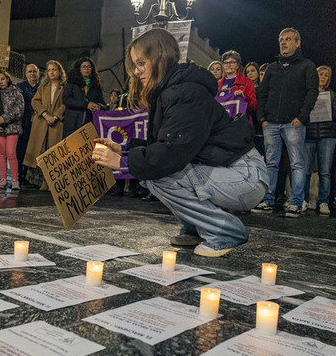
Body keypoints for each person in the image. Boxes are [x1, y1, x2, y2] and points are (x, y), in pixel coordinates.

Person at [93, 28, 267, 257]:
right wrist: (124, 151)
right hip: (231, 171)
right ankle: (196, 227)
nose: (136, 72)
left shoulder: (186, 92)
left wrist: (123, 163)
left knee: (158, 175)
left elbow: (172, 152)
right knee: (154, 171)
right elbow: (166, 143)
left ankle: (226, 231)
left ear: (159, 57)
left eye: (141, 63)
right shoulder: (172, 90)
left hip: (245, 177)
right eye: (135, 66)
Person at [251, 28, 318, 218]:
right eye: (281, 39)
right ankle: (268, 200)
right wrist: (262, 119)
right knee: (271, 163)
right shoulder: (272, 67)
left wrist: (301, 117)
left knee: (297, 163)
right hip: (271, 123)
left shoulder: (307, 66)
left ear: (298, 43)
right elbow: (262, 93)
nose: (283, 43)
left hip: (294, 123)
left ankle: (296, 202)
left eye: (288, 39)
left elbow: (311, 93)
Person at [304, 65, 336, 215]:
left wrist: (330, 111)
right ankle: (304, 199)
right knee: (305, 170)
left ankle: (323, 201)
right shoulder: (306, 94)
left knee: (325, 171)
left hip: (327, 137)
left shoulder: (332, 95)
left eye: (326, 75)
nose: (323, 77)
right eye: (320, 74)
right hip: (309, 135)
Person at [24, 59, 66, 181]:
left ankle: (51, 181)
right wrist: (45, 114)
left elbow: (65, 103)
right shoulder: (43, 87)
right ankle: (37, 181)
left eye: (54, 69)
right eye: (49, 70)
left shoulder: (64, 87)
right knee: (39, 150)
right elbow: (35, 101)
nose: (51, 72)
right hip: (42, 121)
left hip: (56, 122)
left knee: (53, 151)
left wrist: (56, 116)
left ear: (59, 71)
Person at [0, 70, 24, 189]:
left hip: (12, 127)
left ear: (8, 79)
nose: (1, 82)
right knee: (1, 154)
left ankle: (15, 180)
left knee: (10, 153)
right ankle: (3, 179)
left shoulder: (16, 92)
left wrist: (4, 119)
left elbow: (19, 110)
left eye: (3, 79)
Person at [63, 58, 105, 136]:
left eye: (89, 66)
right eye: (84, 66)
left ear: (92, 69)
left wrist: (99, 106)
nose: (86, 68)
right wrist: (86, 104)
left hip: (90, 123)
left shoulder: (96, 85)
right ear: (79, 69)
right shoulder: (71, 83)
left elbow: (102, 103)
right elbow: (66, 100)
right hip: (73, 124)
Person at [17, 63, 40, 188]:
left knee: (33, 151)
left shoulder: (43, 88)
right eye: (30, 72)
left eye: (34, 71)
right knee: (20, 151)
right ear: (25, 74)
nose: (32, 74)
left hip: (37, 125)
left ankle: (28, 177)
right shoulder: (19, 87)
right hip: (23, 123)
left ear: (38, 74)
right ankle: (19, 176)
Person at [216, 50, 257, 117]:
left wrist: (244, 97)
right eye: (225, 63)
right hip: (220, 121)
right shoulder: (217, 84)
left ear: (238, 65)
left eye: (232, 62)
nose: (228, 65)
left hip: (238, 122)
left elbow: (253, 106)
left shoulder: (247, 82)